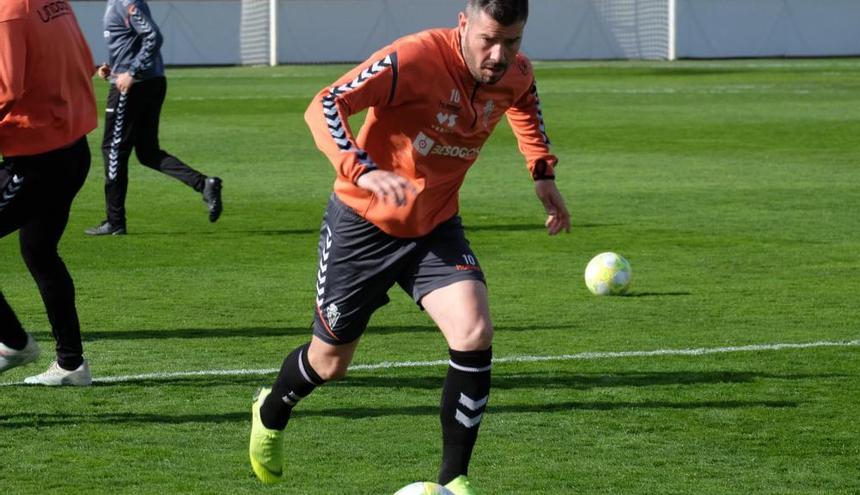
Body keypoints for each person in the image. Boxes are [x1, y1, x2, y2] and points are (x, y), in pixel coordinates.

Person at [249, 1, 569, 492]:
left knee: (474, 330)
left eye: (513, 41)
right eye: (489, 39)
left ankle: (455, 479)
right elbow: (326, 102)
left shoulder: (515, 71)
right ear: (464, 24)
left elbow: (524, 100)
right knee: (329, 364)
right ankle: (270, 411)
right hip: (362, 225)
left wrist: (541, 170)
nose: (500, 54)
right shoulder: (414, 58)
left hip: (434, 226)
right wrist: (362, 167)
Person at [0, 0, 98, 385]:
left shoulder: (8, 10)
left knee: (40, 251)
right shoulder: (53, 2)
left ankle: (13, 342)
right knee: (39, 250)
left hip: (37, 158)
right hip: (72, 148)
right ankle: (72, 365)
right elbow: (87, 61)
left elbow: (6, 88)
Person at [85, 0, 223, 236]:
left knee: (114, 151)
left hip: (134, 87)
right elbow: (132, 41)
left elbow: (153, 36)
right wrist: (112, 67)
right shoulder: (121, 4)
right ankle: (204, 184)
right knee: (148, 152)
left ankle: (115, 222)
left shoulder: (126, 3)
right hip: (147, 82)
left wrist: (132, 71)